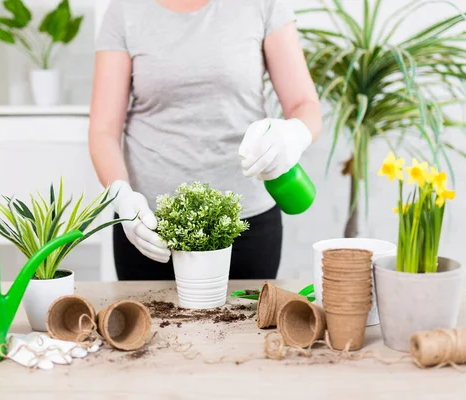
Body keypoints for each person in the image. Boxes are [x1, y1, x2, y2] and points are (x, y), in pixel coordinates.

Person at [89, 0, 322, 280]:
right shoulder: (125, 11)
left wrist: (294, 133)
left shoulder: (262, 4)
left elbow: (304, 103)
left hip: (246, 224)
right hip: (149, 227)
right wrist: (121, 196)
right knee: (146, 325)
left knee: (248, 324)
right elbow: (104, 130)